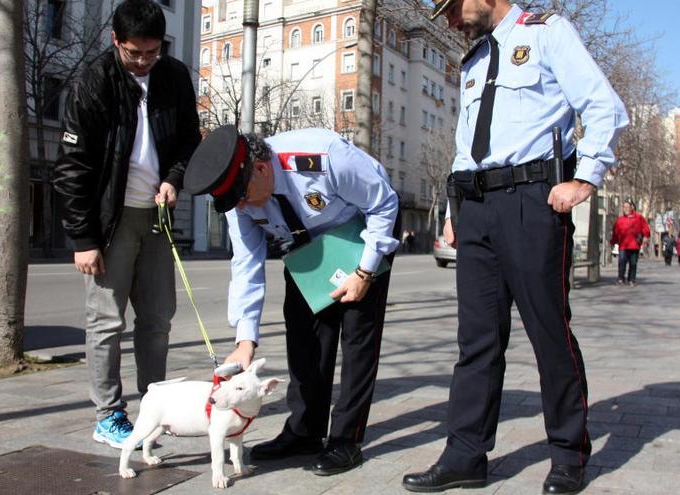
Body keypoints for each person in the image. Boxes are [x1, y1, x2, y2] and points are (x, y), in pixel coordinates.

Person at [403, 1, 628, 494]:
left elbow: (603, 105)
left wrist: (584, 179)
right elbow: (467, 144)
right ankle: (465, 455)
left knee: (548, 331)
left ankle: (568, 454)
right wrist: (453, 212)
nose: (450, 20)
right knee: (477, 340)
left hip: (533, 200)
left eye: (453, 6)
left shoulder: (547, 33)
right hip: (476, 207)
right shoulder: (475, 59)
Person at [182, 125, 400, 476]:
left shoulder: (324, 157)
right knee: (304, 336)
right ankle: (304, 432)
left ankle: (346, 439)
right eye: (233, 202)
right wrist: (245, 340)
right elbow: (246, 263)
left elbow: (383, 203)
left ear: (262, 169)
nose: (240, 207)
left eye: (242, 197)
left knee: (358, 335)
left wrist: (364, 273)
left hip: (362, 228)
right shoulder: (239, 197)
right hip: (303, 243)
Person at [52, 0, 201, 449]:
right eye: (134, 53)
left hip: (156, 217)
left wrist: (175, 179)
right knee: (106, 322)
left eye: (152, 53)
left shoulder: (174, 77)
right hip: (108, 220)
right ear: (115, 41)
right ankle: (109, 415)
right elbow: (73, 166)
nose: (143, 62)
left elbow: (188, 141)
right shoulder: (92, 82)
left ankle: (155, 405)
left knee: (157, 319)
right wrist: (83, 237)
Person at [610, 200, 650, 287]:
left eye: (627, 207)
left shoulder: (639, 218)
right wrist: (613, 242)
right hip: (623, 245)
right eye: (624, 207)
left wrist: (646, 236)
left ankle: (631, 279)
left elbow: (645, 227)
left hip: (635, 245)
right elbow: (615, 232)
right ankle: (621, 278)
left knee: (633, 263)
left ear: (632, 207)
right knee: (622, 261)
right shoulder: (620, 220)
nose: (626, 209)